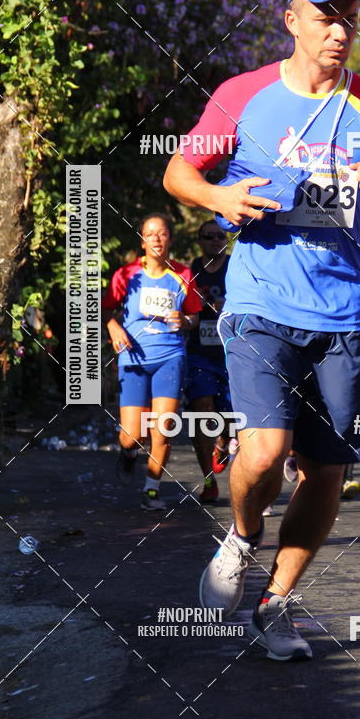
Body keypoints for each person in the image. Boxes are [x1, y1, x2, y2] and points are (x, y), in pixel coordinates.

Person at [164, 0, 360, 660]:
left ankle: (276, 603)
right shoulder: (243, 94)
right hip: (261, 300)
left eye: (350, 17)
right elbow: (179, 171)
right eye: (325, 17)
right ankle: (242, 535)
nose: (340, 30)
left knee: (326, 475)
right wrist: (219, 196)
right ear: (291, 20)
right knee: (265, 448)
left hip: (344, 313)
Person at [102, 214, 201, 510]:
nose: (156, 239)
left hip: (170, 357)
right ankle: (129, 453)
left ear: (170, 238)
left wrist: (185, 320)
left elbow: (194, 317)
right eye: (150, 233)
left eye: (162, 233)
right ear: (142, 240)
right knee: (132, 436)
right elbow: (105, 309)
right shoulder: (126, 274)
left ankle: (152, 490)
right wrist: (113, 326)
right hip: (133, 358)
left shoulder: (183, 275)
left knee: (163, 428)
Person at [185, 220, 230, 504]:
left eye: (220, 236)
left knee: (229, 417)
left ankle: (223, 442)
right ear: (200, 240)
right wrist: (193, 305)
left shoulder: (236, 268)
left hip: (232, 353)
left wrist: (231, 304)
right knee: (201, 411)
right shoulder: (189, 271)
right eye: (209, 236)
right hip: (199, 353)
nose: (216, 240)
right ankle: (208, 480)